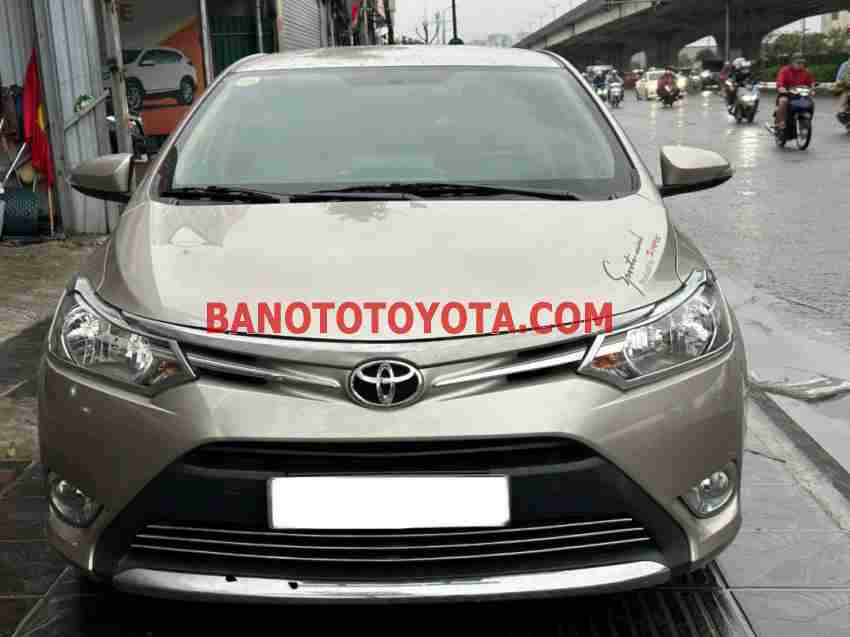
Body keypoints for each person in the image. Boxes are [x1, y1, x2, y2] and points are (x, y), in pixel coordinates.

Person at [774, 53, 815, 131]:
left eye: (802, 63)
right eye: (798, 62)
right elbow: (780, 81)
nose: (800, 64)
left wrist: (812, 90)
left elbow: (811, 83)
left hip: (801, 95)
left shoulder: (806, 72)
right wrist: (781, 88)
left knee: (811, 103)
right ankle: (780, 123)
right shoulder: (784, 70)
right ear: (792, 62)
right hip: (787, 94)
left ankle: (807, 121)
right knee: (783, 101)